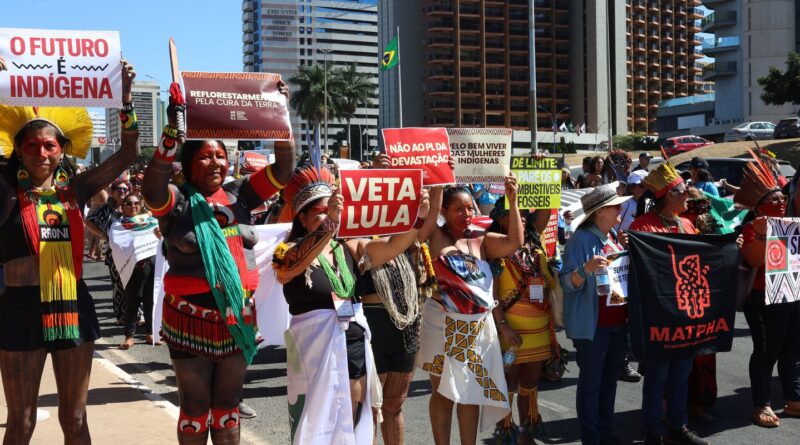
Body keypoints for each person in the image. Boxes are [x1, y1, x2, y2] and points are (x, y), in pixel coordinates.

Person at [142, 82, 295, 444]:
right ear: (189, 165)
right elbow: (151, 190)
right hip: (188, 315)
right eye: (205, 157)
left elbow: (285, 170)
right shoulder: (177, 201)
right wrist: (169, 138)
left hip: (237, 314)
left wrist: (280, 115)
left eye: (220, 156)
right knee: (195, 407)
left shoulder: (241, 193)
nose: (215, 162)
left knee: (227, 407)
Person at [0, 60, 139, 444]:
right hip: (19, 308)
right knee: (21, 421)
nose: (41, 152)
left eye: (50, 145)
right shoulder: (5, 190)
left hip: (72, 304)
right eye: (32, 145)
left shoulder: (76, 190)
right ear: (17, 149)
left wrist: (124, 100)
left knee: (75, 418)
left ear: (62, 151)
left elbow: (128, 155)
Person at [273, 165, 431, 444]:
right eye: (320, 212)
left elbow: (393, 247)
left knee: (354, 409)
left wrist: (417, 219)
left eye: (332, 210)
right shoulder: (287, 250)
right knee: (318, 418)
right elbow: (290, 268)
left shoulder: (348, 247)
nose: (328, 216)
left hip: (353, 338)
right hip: (314, 347)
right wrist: (330, 223)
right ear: (303, 218)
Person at [416, 176, 523, 445]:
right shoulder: (437, 236)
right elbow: (425, 224)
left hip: (475, 328)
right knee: (442, 392)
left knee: (470, 391)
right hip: (440, 325)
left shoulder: (482, 241)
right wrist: (439, 184)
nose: (467, 214)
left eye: (470, 208)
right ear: (444, 212)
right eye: (459, 209)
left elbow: (514, 242)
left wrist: (513, 199)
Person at [629, 161, 709, 445]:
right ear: (668, 195)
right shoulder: (642, 226)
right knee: (658, 374)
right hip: (658, 315)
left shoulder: (688, 224)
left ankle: (678, 426)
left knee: (682, 372)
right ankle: (653, 430)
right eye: (681, 192)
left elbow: (701, 262)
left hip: (685, 313)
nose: (687, 196)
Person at [559, 182, 630, 445]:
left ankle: (605, 432)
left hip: (616, 322)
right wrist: (586, 269)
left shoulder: (610, 236)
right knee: (591, 383)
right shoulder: (581, 239)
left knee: (609, 381)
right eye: (615, 208)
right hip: (594, 326)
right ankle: (592, 437)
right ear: (600, 212)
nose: (620, 211)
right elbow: (566, 282)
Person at [736, 158, 800, 428]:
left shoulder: (792, 224)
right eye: (774, 201)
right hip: (763, 299)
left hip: (793, 295)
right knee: (766, 352)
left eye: (782, 199)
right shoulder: (752, 227)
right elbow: (753, 260)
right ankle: (761, 404)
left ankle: (794, 399)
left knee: (794, 350)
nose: (781, 203)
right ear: (760, 205)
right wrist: (763, 236)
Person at [489, 201, 558, 444]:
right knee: (508, 382)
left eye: (522, 211)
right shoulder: (495, 247)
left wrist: (540, 171)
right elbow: (493, 295)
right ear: (500, 219)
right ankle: (506, 432)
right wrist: (503, 327)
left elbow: (546, 206)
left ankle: (526, 435)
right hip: (511, 333)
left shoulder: (533, 241)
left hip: (539, 328)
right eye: (511, 212)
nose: (521, 216)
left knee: (530, 382)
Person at [112, 194, 159, 350]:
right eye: (129, 203)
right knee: (133, 301)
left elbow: (162, 239)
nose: (133, 206)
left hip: (154, 265)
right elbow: (118, 245)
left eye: (136, 203)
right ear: (122, 206)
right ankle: (129, 336)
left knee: (151, 300)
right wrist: (136, 251)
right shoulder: (117, 226)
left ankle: (150, 333)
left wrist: (161, 236)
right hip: (134, 268)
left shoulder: (152, 222)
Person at [86, 178, 131, 323]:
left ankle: (137, 313)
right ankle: (121, 314)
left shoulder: (133, 207)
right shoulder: (105, 210)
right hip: (114, 253)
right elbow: (88, 221)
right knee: (118, 284)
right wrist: (102, 235)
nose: (122, 191)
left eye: (125, 189)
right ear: (112, 192)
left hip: (134, 253)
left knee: (135, 284)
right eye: (119, 189)